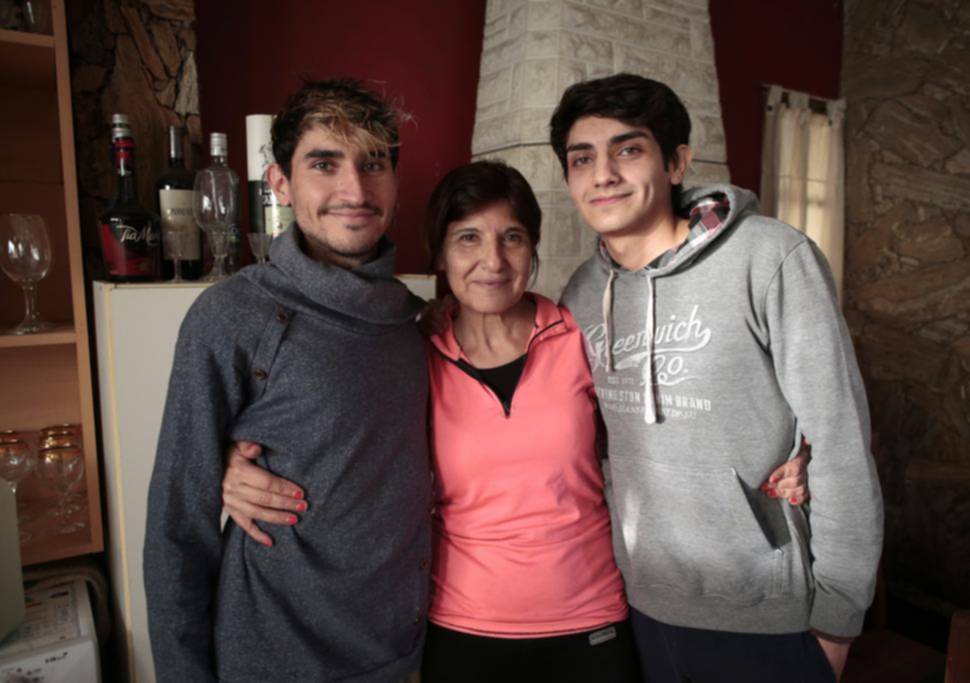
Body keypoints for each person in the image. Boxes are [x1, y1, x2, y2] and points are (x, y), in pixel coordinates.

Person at [221, 159, 811, 681]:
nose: (493, 261)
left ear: (533, 250)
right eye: (468, 238)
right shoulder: (410, 352)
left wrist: (792, 448)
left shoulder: (579, 331)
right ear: (440, 254)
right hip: (461, 629)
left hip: (592, 623)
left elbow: (677, 410)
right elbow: (340, 438)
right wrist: (233, 466)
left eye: (513, 238)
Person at [548, 73, 883, 682]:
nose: (603, 175)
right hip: (640, 604)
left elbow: (839, 440)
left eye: (628, 150)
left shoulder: (770, 258)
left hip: (768, 616)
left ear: (677, 162)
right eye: (582, 158)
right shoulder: (582, 292)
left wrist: (838, 621)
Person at [142, 78, 431, 683]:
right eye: (324, 164)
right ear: (280, 183)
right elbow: (177, 529)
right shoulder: (231, 316)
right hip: (272, 661)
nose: (354, 190)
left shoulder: (416, 322)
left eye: (373, 163)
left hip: (402, 655)